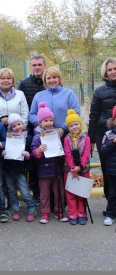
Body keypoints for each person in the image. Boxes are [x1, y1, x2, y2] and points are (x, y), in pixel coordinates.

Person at [0, 67, 29, 209]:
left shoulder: (20, 94)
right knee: (1, 169)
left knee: (15, 168)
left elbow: (25, 115)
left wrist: (17, 127)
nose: (5, 81)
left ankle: (13, 201)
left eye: (8, 78)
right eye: (3, 78)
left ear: (13, 80)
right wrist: (0, 121)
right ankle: (3, 200)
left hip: (16, 137)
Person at [31, 102, 68, 224]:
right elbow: (34, 154)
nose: (48, 123)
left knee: (59, 192)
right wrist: (39, 150)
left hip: (57, 169)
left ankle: (59, 210)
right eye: (45, 120)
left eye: (50, 120)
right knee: (45, 193)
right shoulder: (37, 137)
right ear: (40, 122)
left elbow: (62, 150)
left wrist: (62, 154)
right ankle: (45, 213)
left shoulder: (56, 134)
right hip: (44, 170)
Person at [18, 55, 47, 206]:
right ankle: (36, 194)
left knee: (49, 162)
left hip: (50, 130)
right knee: (33, 164)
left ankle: (50, 196)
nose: (37, 67)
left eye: (39, 65)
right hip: (30, 131)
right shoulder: (24, 84)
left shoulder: (49, 82)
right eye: (34, 65)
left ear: (44, 65)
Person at [88, 58, 116, 212]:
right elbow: (93, 115)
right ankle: (110, 205)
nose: (113, 72)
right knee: (108, 170)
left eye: (115, 68)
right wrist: (91, 139)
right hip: (103, 135)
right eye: (110, 69)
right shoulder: (99, 91)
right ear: (105, 72)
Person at [29, 66, 81, 140]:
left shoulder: (69, 94)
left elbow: (76, 112)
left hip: (66, 136)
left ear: (59, 79)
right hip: (45, 136)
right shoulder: (38, 96)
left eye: (54, 77)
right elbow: (31, 114)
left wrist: (63, 128)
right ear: (45, 80)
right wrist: (43, 123)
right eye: (49, 78)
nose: (52, 80)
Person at [1, 113, 36, 222]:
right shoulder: (8, 138)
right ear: (10, 128)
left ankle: (31, 208)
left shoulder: (28, 138)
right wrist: (3, 153)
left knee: (25, 191)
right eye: (14, 126)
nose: (17, 127)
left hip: (20, 169)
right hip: (8, 168)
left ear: (23, 124)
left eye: (19, 124)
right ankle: (16, 210)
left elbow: (31, 154)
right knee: (11, 191)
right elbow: (4, 151)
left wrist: (27, 154)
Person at [64, 109, 91, 225]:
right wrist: (72, 168)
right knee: (71, 194)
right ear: (68, 128)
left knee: (81, 193)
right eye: (71, 125)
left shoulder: (86, 138)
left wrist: (80, 166)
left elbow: (86, 153)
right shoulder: (66, 139)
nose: (74, 127)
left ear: (80, 124)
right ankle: (72, 214)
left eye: (76, 124)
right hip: (70, 170)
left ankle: (81, 213)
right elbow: (67, 154)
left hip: (83, 169)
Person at [101, 106, 116, 226]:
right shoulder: (108, 134)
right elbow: (103, 150)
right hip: (113, 170)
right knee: (112, 193)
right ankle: (111, 214)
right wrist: (113, 142)